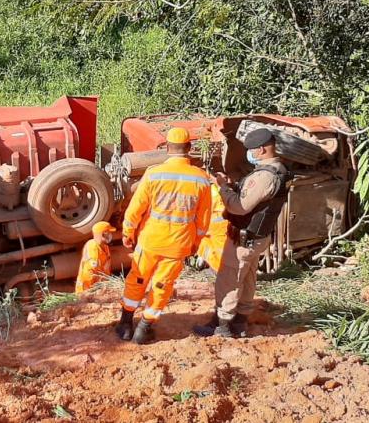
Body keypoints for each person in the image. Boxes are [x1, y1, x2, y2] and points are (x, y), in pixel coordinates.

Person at [117, 127, 212, 344]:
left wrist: (127, 232)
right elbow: (203, 220)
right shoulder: (201, 179)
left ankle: (124, 324)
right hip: (178, 245)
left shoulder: (153, 173)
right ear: (189, 148)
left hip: (150, 240)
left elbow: (135, 208)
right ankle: (144, 328)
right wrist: (195, 243)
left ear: (167, 148)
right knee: (162, 285)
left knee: (137, 279)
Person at [193, 128, 290, 338]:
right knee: (247, 279)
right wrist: (233, 185)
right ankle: (240, 322)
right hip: (258, 237)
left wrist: (223, 189)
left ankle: (221, 326)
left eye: (252, 150)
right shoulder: (279, 169)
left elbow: (240, 207)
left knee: (229, 279)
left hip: (244, 239)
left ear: (262, 149)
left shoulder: (264, 176)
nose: (250, 154)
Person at [75, 221, 116, 294]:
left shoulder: (105, 247)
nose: (111, 235)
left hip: (98, 288)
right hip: (87, 290)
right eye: (109, 233)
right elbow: (89, 274)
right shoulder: (93, 247)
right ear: (102, 234)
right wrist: (91, 291)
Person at [196, 183, 228, 273]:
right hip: (220, 225)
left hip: (215, 225)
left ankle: (220, 270)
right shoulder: (221, 189)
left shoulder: (209, 190)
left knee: (217, 250)